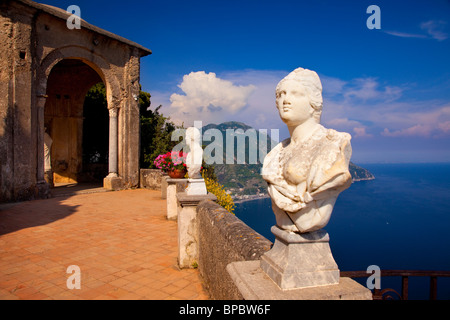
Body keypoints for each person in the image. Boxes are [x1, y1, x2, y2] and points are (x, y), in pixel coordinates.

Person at [262, 68, 352, 233]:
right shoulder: (275, 154)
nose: (285, 100)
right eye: (281, 94)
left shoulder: (333, 145)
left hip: (309, 223)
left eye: (295, 94)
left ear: (313, 104)